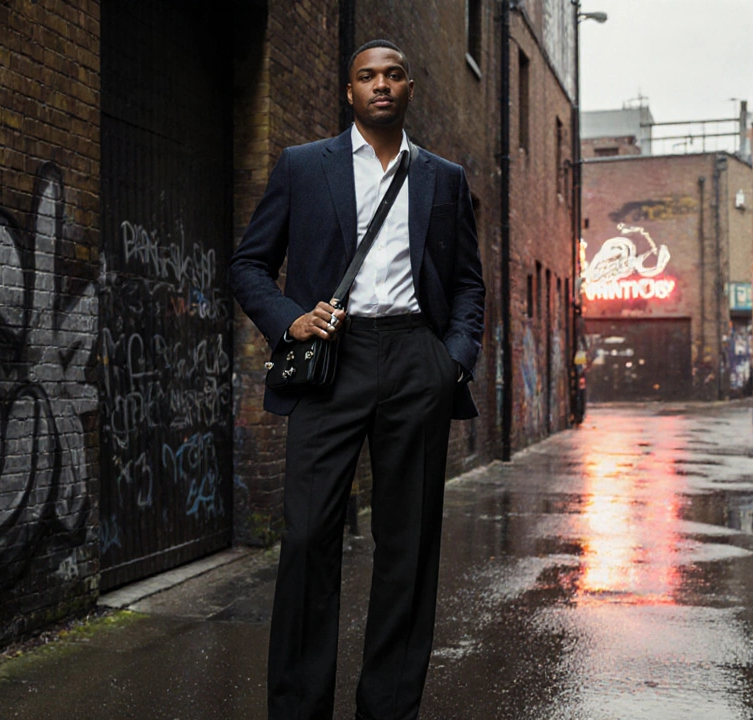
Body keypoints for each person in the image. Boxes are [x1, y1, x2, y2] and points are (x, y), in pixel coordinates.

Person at [229, 39, 485, 720]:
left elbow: (467, 284)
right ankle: (298, 706)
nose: (380, 85)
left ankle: (388, 708)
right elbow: (248, 266)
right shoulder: (302, 168)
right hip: (331, 362)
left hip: (414, 359)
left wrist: (451, 359)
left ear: (408, 88)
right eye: (367, 76)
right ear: (349, 92)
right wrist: (291, 321)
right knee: (310, 536)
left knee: (408, 545)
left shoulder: (444, 178)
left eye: (393, 75)